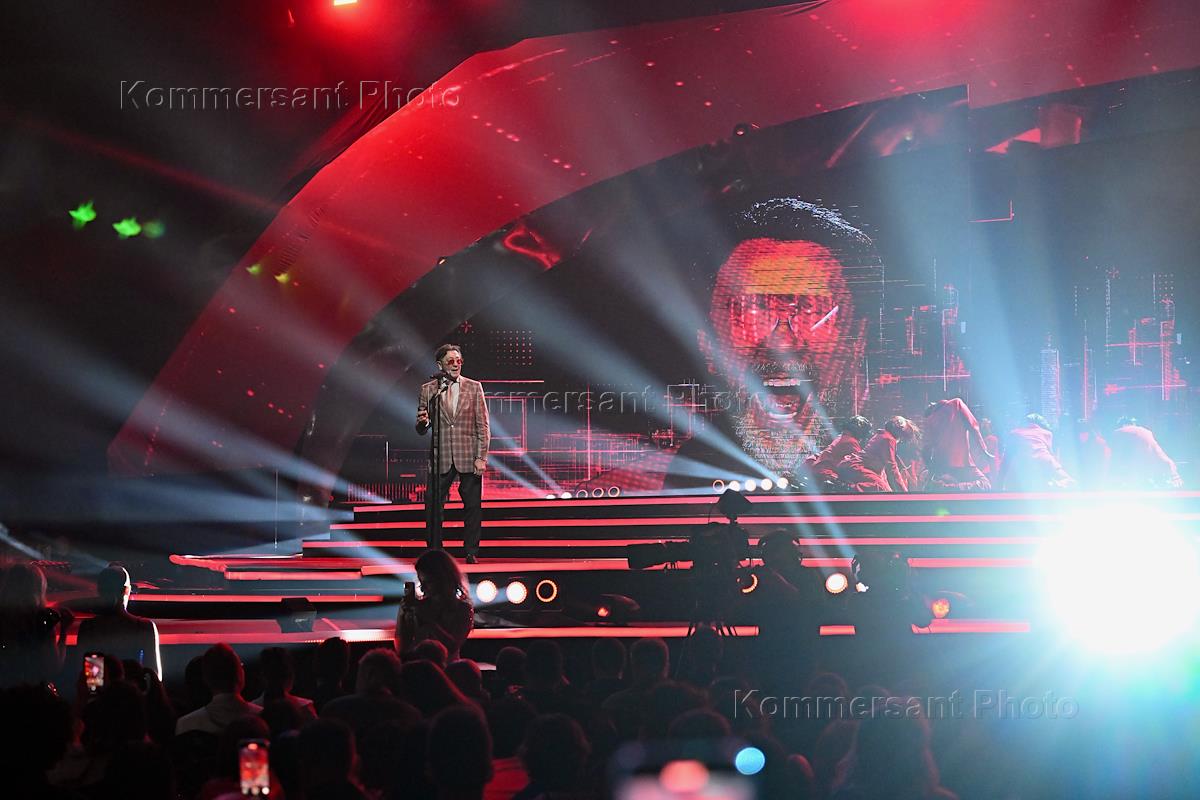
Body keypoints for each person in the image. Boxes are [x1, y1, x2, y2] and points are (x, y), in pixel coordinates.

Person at [667, 198, 881, 489]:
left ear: (856, 341)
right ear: (707, 341)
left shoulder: (882, 465)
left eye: (812, 310)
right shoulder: (685, 481)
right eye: (751, 311)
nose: (781, 341)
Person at [417, 343, 490, 562]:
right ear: (440, 365)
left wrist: (481, 457)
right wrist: (423, 423)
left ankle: (471, 551)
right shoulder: (429, 389)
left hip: (468, 455)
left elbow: (483, 426)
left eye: (459, 361)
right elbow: (422, 426)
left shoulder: (474, 387)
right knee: (433, 505)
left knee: (472, 506)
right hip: (441, 457)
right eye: (451, 361)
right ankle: (435, 550)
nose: (456, 364)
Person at [76, 564, 162, 679]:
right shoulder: (144, 628)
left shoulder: (89, 628)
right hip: (132, 690)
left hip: (104, 690)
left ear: (100, 590)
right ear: (126, 590)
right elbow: (154, 676)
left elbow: (91, 679)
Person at [0, 561, 72, 688]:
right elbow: (53, 667)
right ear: (39, 588)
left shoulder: (4, 618)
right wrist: (64, 630)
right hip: (35, 692)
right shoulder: (41, 619)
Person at [396, 549, 475, 661]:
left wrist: (428, 621)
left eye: (428, 582)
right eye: (421, 583)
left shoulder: (463, 609)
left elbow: (452, 646)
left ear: (443, 579)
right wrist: (402, 617)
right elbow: (401, 649)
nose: (423, 588)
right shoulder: (418, 607)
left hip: (447, 667)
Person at [175, 643, 261, 735]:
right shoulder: (263, 717)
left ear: (206, 678)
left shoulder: (186, 724)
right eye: (241, 666)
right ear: (240, 675)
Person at [921, 398, 994, 491]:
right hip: (964, 463)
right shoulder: (956, 403)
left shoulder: (929, 420)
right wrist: (984, 450)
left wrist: (932, 470)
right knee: (985, 484)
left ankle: (949, 488)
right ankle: (955, 487)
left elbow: (926, 448)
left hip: (942, 465)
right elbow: (974, 426)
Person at [836, 416, 921, 492]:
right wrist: (904, 492)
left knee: (883, 488)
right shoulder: (889, 439)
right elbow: (892, 468)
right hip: (857, 467)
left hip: (853, 466)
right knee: (879, 486)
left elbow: (883, 471)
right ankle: (845, 489)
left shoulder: (882, 435)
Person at [999, 414, 1074, 491]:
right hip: (1045, 460)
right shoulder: (1047, 433)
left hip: (1025, 463)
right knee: (1069, 480)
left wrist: (999, 484)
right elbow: (1051, 453)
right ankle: (1057, 484)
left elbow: (1006, 459)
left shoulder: (1014, 433)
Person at [1108, 416, 1182, 489]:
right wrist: (1174, 475)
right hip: (1148, 475)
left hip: (1127, 478)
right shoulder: (1146, 432)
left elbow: (1113, 457)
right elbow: (1160, 455)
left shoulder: (1117, 433)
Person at [804, 416, 873, 487]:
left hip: (819, 472)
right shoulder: (851, 442)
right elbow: (857, 464)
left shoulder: (842, 438)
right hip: (826, 475)